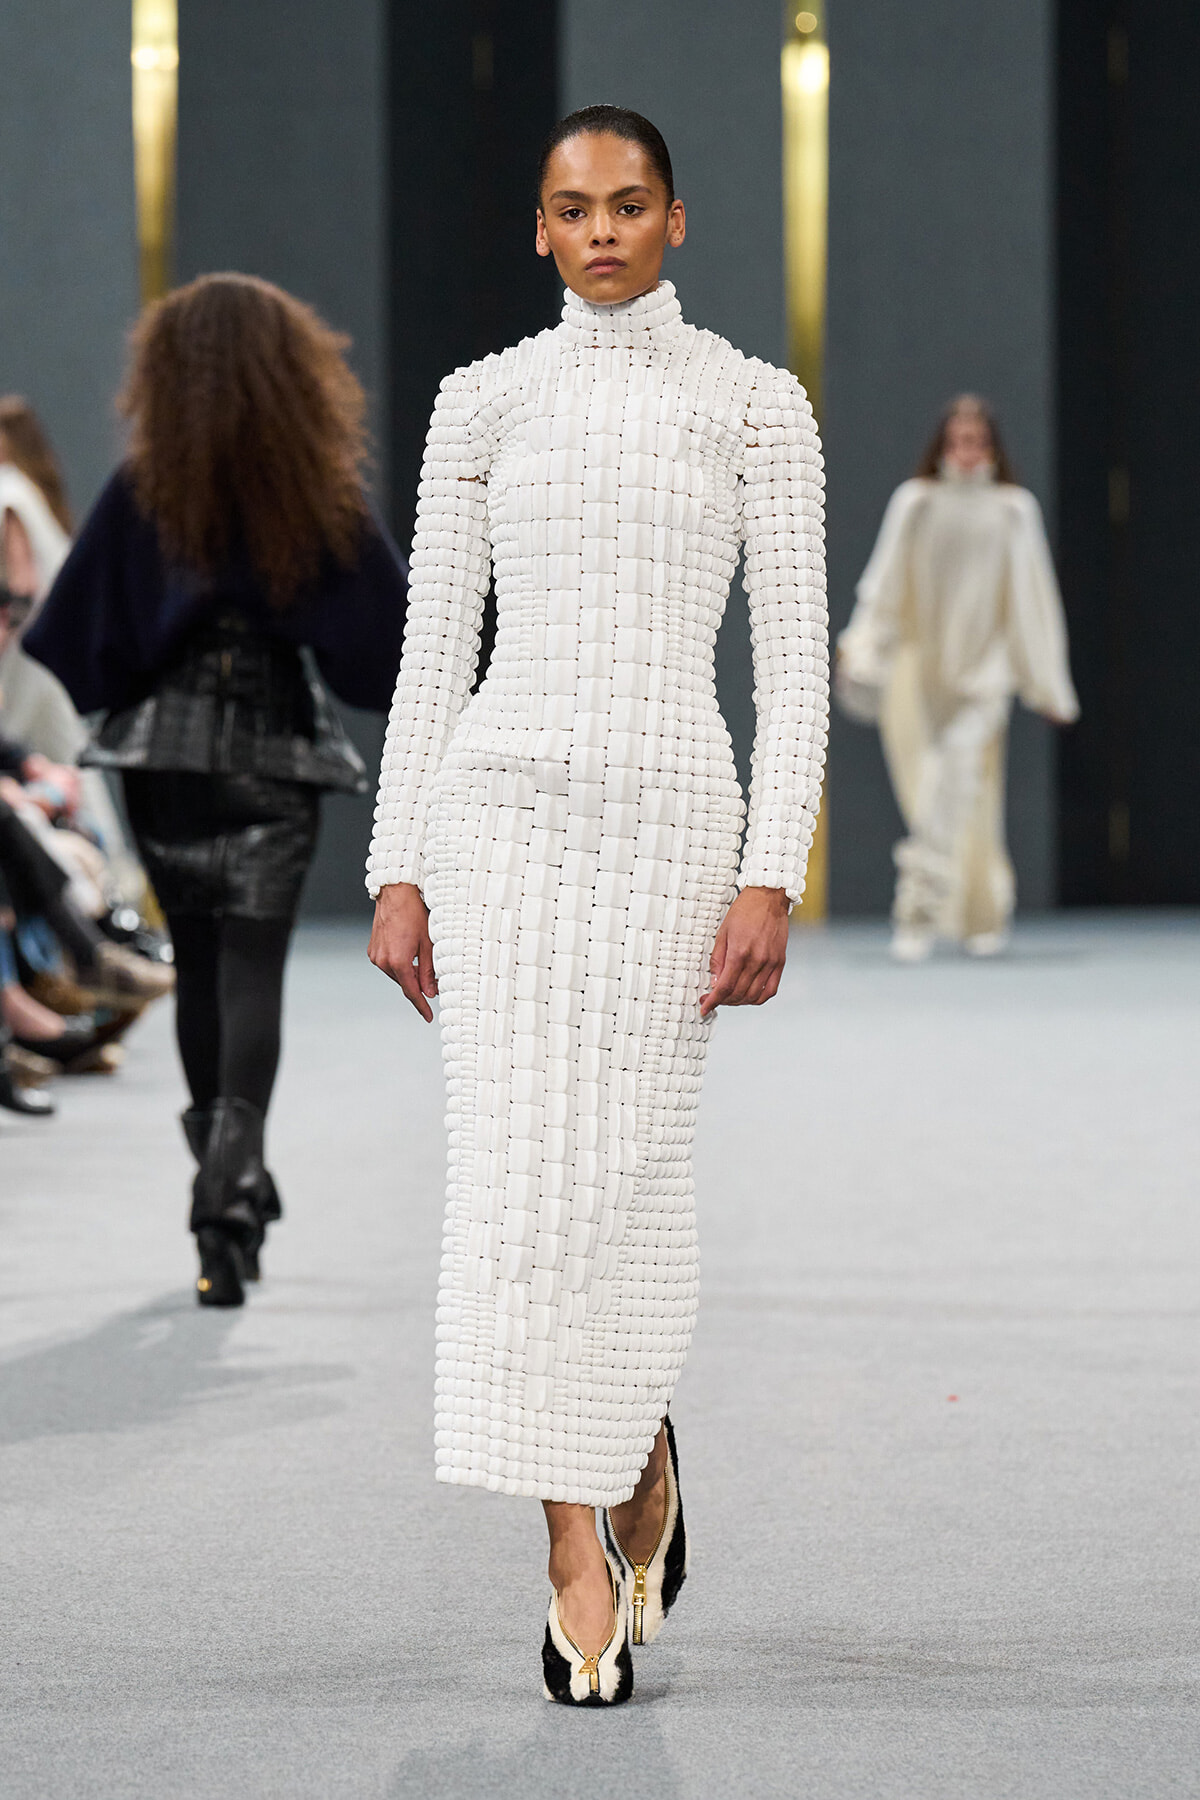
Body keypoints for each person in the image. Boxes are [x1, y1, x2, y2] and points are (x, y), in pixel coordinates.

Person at [368, 105, 827, 1705]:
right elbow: (433, 650)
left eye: (630, 204)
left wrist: (772, 870)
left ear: (677, 220)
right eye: (575, 209)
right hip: (498, 823)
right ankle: (573, 1545)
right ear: (541, 230)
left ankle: (632, 1449)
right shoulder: (480, 400)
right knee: (513, 1182)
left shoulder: (758, 407)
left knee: (621, 1180)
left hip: (672, 835)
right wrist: (399, 865)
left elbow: (793, 667)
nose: (604, 231)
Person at [26, 274, 409, 1307]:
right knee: (250, 969)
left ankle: (221, 1191)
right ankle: (232, 1186)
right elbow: (387, 646)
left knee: (198, 964)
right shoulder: (314, 493)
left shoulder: (148, 490)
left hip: (162, 755)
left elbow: (74, 637)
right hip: (276, 754)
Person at [836, 394, 1078, 961]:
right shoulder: (916, 502)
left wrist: (1048, 686)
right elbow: (884, 583)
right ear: (943, 445)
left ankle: (939, 914)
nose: (968, 451)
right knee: (929, 790)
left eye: (978, 440)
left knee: (964, 785)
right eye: (959, 440)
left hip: (986, 673)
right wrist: (863, 650)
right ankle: (954, 916)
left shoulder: (1013, 509)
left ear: (992, 447)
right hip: (918, 673)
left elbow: (1034, 599)